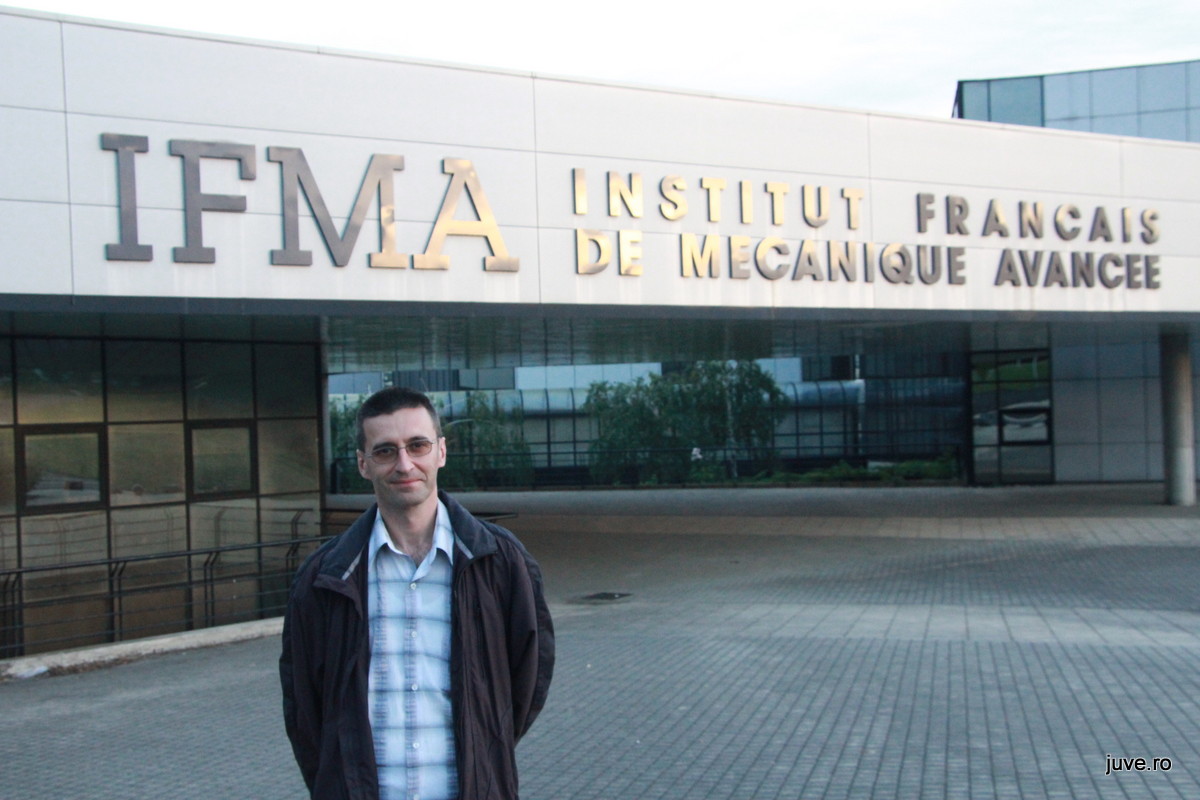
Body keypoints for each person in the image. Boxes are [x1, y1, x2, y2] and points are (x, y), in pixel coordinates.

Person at [280, 387, 554, 800]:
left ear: (441, 451)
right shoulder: (324, 577)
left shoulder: (500, 562)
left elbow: (528, 679)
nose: (404, 464)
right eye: (385, 451)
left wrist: (485, 750)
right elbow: (304, 706)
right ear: (363, 463)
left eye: (417, 445)